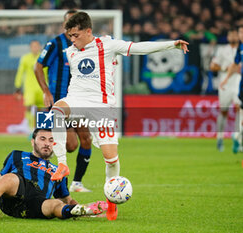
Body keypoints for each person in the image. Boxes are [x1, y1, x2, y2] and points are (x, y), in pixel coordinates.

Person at [49, 11, 189, 220]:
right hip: (77, 99)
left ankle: (111, 202)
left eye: (76, 35)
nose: (72, 40)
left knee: (111, 159)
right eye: (70, 36)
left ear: (88, 31)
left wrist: (171, 44)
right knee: (56, 111)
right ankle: (62, 163)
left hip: (102, 106)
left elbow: (139, 48)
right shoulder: (70, 52)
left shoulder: (108, 45)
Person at [0, 128, 107, 221]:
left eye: (51, 140)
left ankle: (83, 210)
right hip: (14, 193)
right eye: (42, 139)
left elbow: (67, 199)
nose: (47, 143)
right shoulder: (17, 155)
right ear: (33, 141)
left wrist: (77, 205)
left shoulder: (59, 170)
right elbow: (0, 178)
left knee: (55, 204)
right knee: (10, 178)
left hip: (35, 204)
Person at [35, 10, 93, 193]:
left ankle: (77, 183)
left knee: (86, 139)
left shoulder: (88, 45)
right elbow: (37, 67)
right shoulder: (55, 43)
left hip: (80, 100)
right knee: (69, 145)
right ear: (64, 25)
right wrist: (46, 91)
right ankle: (43, 177)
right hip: (59, 102)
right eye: (69, 22)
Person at [210, 28, 240, 152]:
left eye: (234, 34)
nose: (232, 36)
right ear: (227, 37)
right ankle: (220, 138)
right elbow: (212, 66)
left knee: (240, 109)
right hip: (225, 83)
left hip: (238, 82)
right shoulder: (222, 50)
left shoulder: (241, 49)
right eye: (230, 34)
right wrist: (225, 68)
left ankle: (238, 139)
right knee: (224, 111)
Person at [14, 40, 47, 132]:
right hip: (29, 87)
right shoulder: (25, 58)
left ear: (40, 47)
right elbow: (20, 72)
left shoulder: (44, 57)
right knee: (29, 106)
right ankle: (30, 129)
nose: (35, 48)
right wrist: (17, 86)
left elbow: (48, 72)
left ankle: (41, 129)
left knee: (42, 108)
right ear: (30, 48)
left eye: (37, 46)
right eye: (33, 46)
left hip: (42, 87)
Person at [220, 25, 243, 153]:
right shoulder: (241, 47)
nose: (241, 35)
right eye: (240, 32)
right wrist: (226, 79)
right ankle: (237, 137)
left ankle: (237, 136)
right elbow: (235, 64)